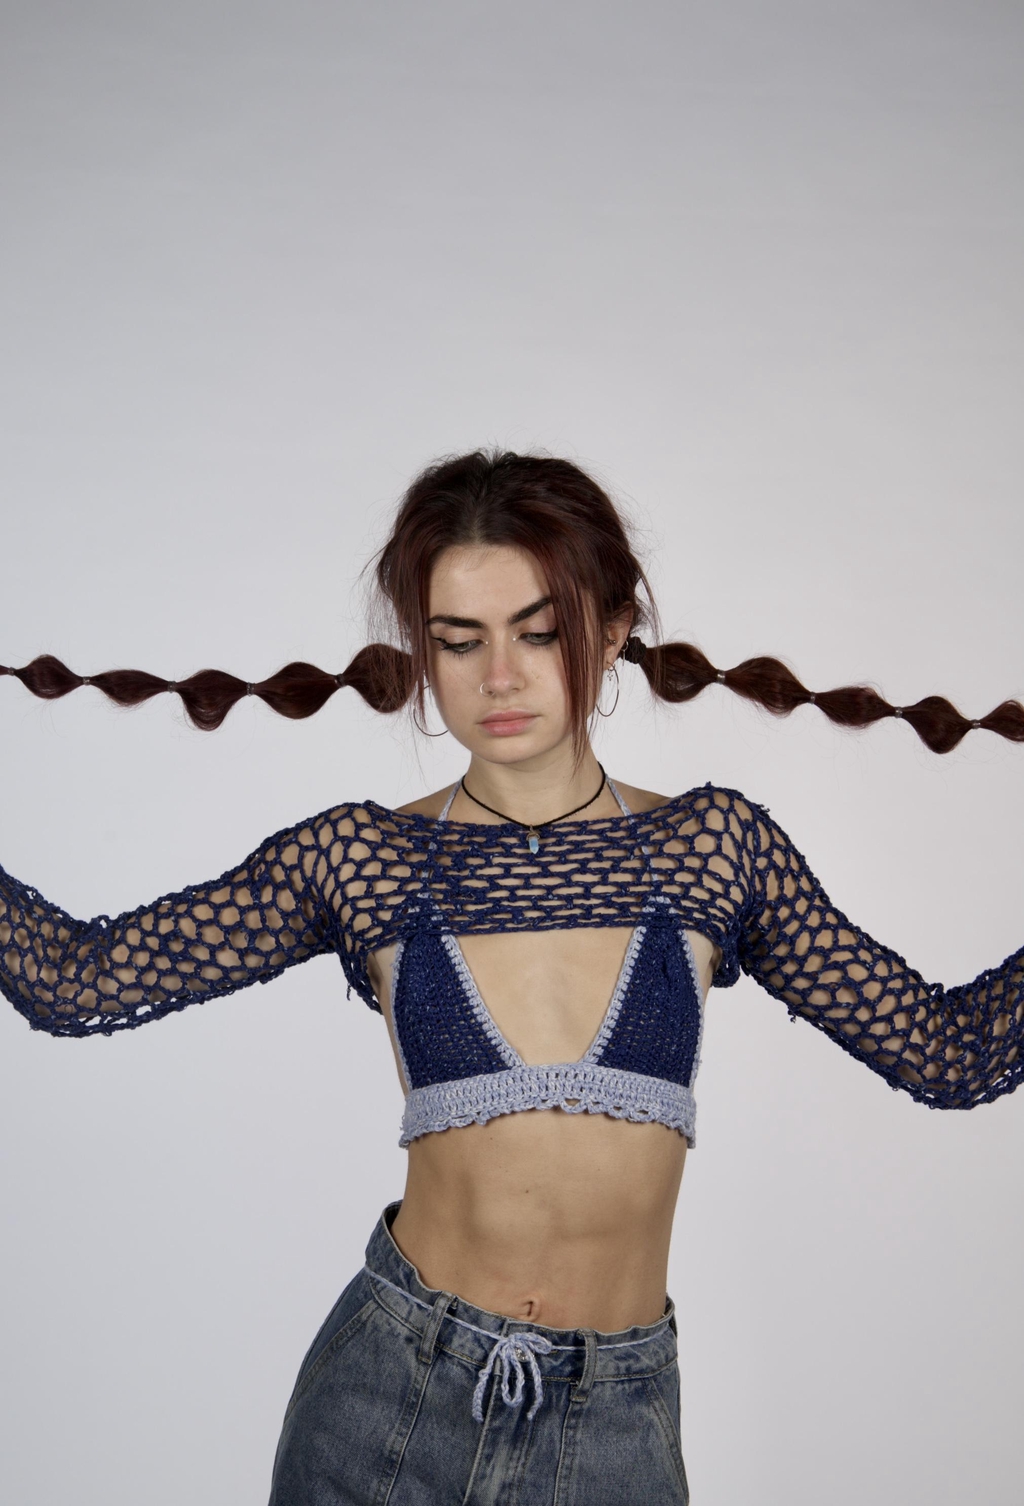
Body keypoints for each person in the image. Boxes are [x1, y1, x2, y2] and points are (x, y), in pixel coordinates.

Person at [2, 450, 1022, 1506]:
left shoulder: (711, 852)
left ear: (613, 630)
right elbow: (78, 983)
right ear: (423, 650)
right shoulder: (365, 860)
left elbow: (948, 1054)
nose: (498, 677)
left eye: (538, 633)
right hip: (385, 1402)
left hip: (613, 1427)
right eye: (459, 641)